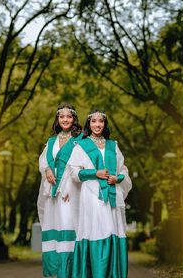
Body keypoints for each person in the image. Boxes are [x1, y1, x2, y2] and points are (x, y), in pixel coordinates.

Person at [69, 109, 132, 278]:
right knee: (94, 230)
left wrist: (117, 178)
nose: (97, 124)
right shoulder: (81, 146)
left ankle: (112, 274)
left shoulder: (113, 146)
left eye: (101, 121)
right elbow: (74, 173)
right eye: (94, 121)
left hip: (112, 196)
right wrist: (93, 173)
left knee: (112, 229)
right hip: (91, 196)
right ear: (89, 124)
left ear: (105, 124)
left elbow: (123, 170)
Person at [37, 104, 82, 278]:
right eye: (61, 117)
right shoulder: (51, 141)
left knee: (67, 226)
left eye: (68, 117)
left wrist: (73, 190)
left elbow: (81, 166)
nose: (65, 120)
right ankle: (53, 272)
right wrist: (47, 170)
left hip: (69, 194)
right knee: (52, 227)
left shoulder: (79, 142)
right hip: (51, 194)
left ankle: (67, 271)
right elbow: (43, 160)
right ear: (57, 119)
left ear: (74, 119)